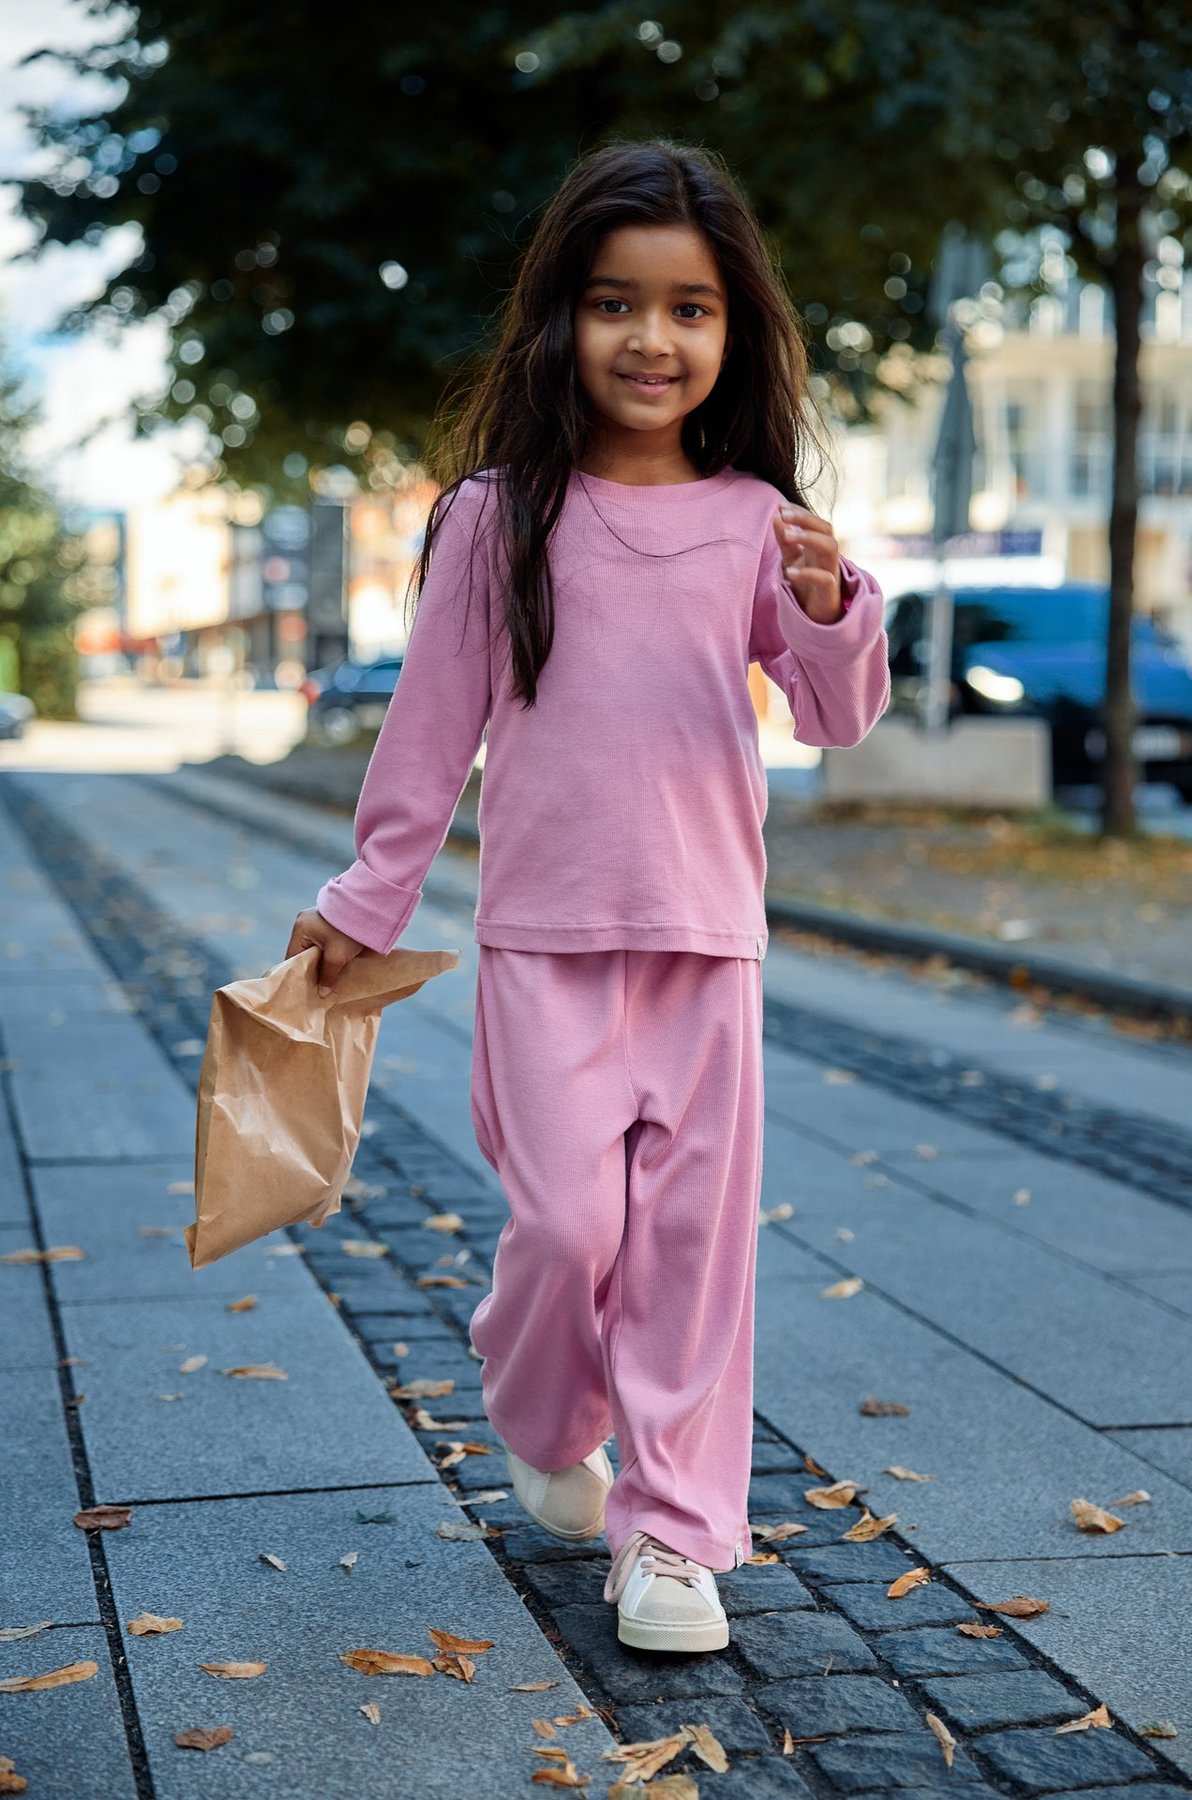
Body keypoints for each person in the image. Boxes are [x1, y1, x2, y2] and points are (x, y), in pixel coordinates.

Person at [286, 137, 891, 1655]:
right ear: (560, 317)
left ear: (733, 332)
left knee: (691, 1252)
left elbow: (835, 720)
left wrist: (828, 609)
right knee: (563, 1231)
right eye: (617, 303)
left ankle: (677, 1538)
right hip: (543, 947)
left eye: (692, 309)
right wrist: (369, 893)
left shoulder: (760, 519)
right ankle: (548, 1416)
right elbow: (429, 729)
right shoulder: (498, 515)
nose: (653, 338)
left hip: (705, 949)